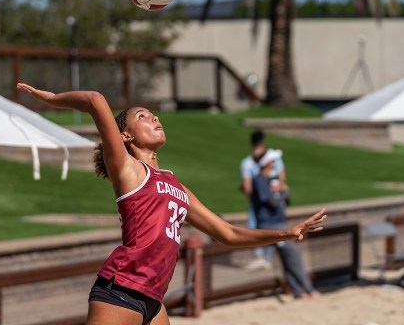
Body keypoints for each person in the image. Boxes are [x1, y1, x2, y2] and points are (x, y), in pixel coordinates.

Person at [16, 83, 327, 325]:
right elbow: (96, 100)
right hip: (121, 290)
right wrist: (52, 100)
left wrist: (285, 234)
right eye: (142, 116)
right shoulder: (127, 169)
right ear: (125, 135)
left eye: (153, 114)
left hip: (152, 297)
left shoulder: (176, 186)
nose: (153, 117)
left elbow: (227, 233)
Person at [251, 148, 319, 300]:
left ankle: (299, 292)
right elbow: (272, 202)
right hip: (271, 226)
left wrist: (280, 191)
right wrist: (282, 192)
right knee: (293, 255)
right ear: (267, 162)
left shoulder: (268, 179)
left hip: (278, 224)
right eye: (273, 161)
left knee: (287, 257)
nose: (275, 164)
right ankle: (308, 290)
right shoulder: (260, 180)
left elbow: (282, 201)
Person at [240, 130, 286, 269]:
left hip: (265, 201)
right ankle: (262, 257)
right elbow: (282, 180)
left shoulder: (249, 162)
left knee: (260, 226)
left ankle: (263, 257)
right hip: (264, 201)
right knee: (261, 226)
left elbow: (247, 186)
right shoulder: (249, 163)